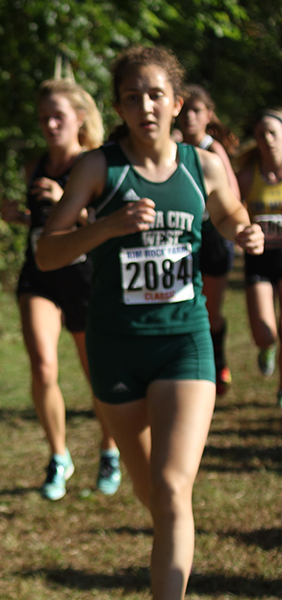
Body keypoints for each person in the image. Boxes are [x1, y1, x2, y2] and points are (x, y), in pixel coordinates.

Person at [36, 46, 263, 600]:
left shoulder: (201, 165)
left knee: (170, 488)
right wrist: (108, 226)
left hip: (185, 343)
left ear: (177, 102)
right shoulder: (99, 167)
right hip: (116, 348)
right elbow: (48, 253)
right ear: (118, 105)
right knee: (153, 494)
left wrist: (243, 230)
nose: (146, 106)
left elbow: (229, 209)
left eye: (156, 94)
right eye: (133, 97)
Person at [1, 79, 121, 501]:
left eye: (59, 117)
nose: (50, 125)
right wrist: (21, 216)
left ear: (80, 118)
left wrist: (69, 199)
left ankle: (109, 450)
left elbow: (108, 225)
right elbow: (43, 222)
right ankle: (59, 455)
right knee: (43, 366)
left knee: (97, 376)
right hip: (40, 276)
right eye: (44, 118)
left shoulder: (94, 164)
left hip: (87, 278)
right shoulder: (34, 166)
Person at [177, 84, 240, 395]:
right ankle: (188, 370)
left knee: (210, 311)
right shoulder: (170, 147)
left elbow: (234, 199)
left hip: (212, 236)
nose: (189, 116)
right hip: (180, 237)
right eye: (185, 109)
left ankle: (218, 360)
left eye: (196, 110)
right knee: (183, 305)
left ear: (208, 116)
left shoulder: (213, 151)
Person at [235, 107, 282, 405]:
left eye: (273, 132)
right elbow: (233, 210)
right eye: (261, 134)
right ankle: (268, 348)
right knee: (264, 332)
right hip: (261, 258)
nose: (267, 139)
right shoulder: (248, 175)